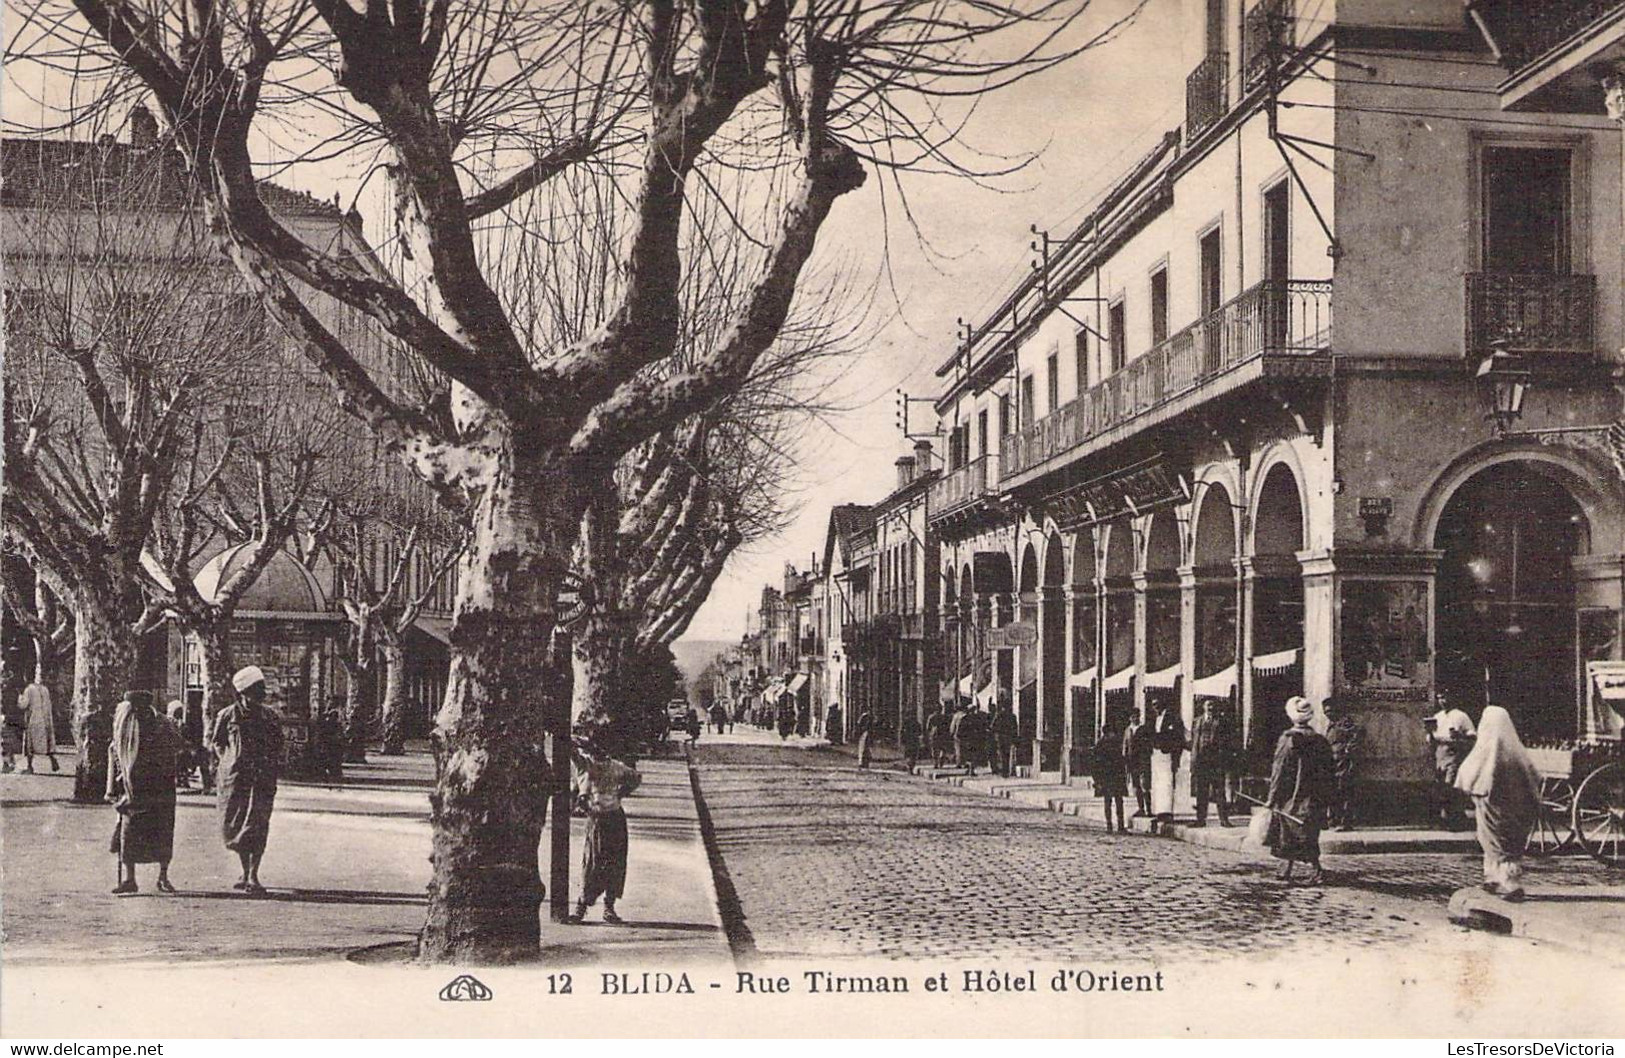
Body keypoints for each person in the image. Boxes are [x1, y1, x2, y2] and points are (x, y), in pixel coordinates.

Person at [1455, 705, 1542, 901]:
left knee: (1492, 839)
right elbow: (1534, 775)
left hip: (1491, 803)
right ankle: (1495, 878)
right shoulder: (1516, 749)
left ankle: (1510, 883)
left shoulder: (1486, 747)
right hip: (1517, 806)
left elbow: (1469, 770)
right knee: (1509, 841)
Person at [212, 665, 284, 894]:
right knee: (237, 824)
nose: (262, 694)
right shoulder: (227, 715)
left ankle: (253, 875)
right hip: (235, 780)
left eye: (262, 689)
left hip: (262, 778)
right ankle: (245, 871)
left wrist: (269, 763)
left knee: (258, 824)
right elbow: (216, 742)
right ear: (244, 692)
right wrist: (228, 761)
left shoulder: (270, 716)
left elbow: (278, 744)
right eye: (257, 689)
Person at [106, 690, 182, 895]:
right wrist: (114, 786)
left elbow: (177, 746)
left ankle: (163, 876)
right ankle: (130, 879)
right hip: (133, 788)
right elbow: (115, 753)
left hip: (160, 787)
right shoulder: (125, 723)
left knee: (163, 832)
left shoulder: (164, 724)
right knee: (128, 833)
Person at [569, 741, 642, 924]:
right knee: (593, 861)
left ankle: (607, 908)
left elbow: (635, 777)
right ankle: (582, 906)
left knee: (613, 863)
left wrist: (621, 793)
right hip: (599, 818)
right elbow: (571, 752)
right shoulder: (588, 765)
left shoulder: (615, 767)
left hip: (612, 818)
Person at [1264, 696, 1336, 884]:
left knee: (1294, 831)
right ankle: (1287, 867)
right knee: (1305, 830)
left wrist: (1272, 798)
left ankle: (1317, 870)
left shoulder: (1288, 740)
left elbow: (1278, 771)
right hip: (1314, 795)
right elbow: (1329, 769)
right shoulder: (1320, 740)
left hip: (1292, 795)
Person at [1429, 693, 1477, 831]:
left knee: (1451, 785)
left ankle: (1455, 819)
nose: (1443, 701)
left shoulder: (1461, 716)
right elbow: (1431, 739)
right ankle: (1448, 818)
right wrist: (1430, 734)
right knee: (1441, 786)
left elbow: (1472, 736)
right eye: (1440, 698)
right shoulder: (1437, 717)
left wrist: (1460, 736)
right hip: (1439, 754)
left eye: (1445, 697)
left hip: (1454, 753)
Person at [1190, 698, 1232, 827]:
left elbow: (1226, 742)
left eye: (1212, 705)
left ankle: (1224, 819)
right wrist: (1193, 759)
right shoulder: (1197, 721)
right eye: (1208, 705)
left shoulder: (1221, 721)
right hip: (1201, 761)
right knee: (1202, 791)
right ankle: (1200, 819)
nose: (1210, 707)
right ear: (1203, 707)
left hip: (1216, 761)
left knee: (1219, 791)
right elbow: (1194, 742)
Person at [1325, 698, 1363, 831]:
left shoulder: (1345, 722)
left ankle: (1345, 822)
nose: (1327, 714)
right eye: (1325, 712)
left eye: (1330, 711)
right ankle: (1334, 820)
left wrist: (1348, 750)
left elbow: (1357, 735)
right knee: (1335, 792)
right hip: (1334, 764)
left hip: (1344, 764)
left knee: (1345, 793)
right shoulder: (1332, 724)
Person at [1149, 698, 1186, 833]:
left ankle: (1167, 812)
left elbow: (1178, 738)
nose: (1155, 707)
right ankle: (1160, 811)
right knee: (1159, 783)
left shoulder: (1172, 718)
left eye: (1157, 704)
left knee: (1167, 783)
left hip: (1168, 754)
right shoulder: (1155, 719)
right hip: (1157, 754)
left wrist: (1176, 757)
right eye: (1153, 705)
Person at [1092, 717, 1128, 833]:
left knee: (1118, 801)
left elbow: (1121, 760)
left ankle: (1120, 825)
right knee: (1108, 801)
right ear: (1107, 733)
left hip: (1116, 776)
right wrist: (1097, 780)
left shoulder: (1115, 744)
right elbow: (1095, 764)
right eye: (1112, 732)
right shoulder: (1101, 745)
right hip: (1106, 777)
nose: (1114, 734)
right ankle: (1109, 825)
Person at [19, 678, 59, 774]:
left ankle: (29, 766)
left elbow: (23, 705)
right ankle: (52, 758)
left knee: (29, 745)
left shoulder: (29, 689)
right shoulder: (45, 689)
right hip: (45, 720)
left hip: (33, 720)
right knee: (47, 742)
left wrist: (20, 697)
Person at [1123, 713, 1152, 818]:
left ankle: (1148, 809)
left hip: (1142, 761)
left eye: (1137, 716)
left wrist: (1147, 757)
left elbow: (1149, 745)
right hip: (1132, 762)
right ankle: (1141, 808)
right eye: (1133, 717)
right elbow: (1125, 746)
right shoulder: (1127, 730)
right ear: (1130, 718)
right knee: (1136, 786)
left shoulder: (1144, 729)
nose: (1135, 719)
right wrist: (1125, 760)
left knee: (1144, 785)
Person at [990, 699, 1019, 778]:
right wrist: (1015, 737)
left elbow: (993, 726)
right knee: (1007, 754)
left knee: (1001, 754)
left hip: (1001, 737)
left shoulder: (999, 715)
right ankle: (1006, 771)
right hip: (1009, 737)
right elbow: (1015, 728)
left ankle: (1004, 771)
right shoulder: (1012, 716)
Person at [1, 694, 25, 773]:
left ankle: (8, 763)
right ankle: (8, 763)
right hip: (11, 718)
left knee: (7, 741)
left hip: (9, 718)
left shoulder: (8, 690)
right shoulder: (14, 691)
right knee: (9, 741)